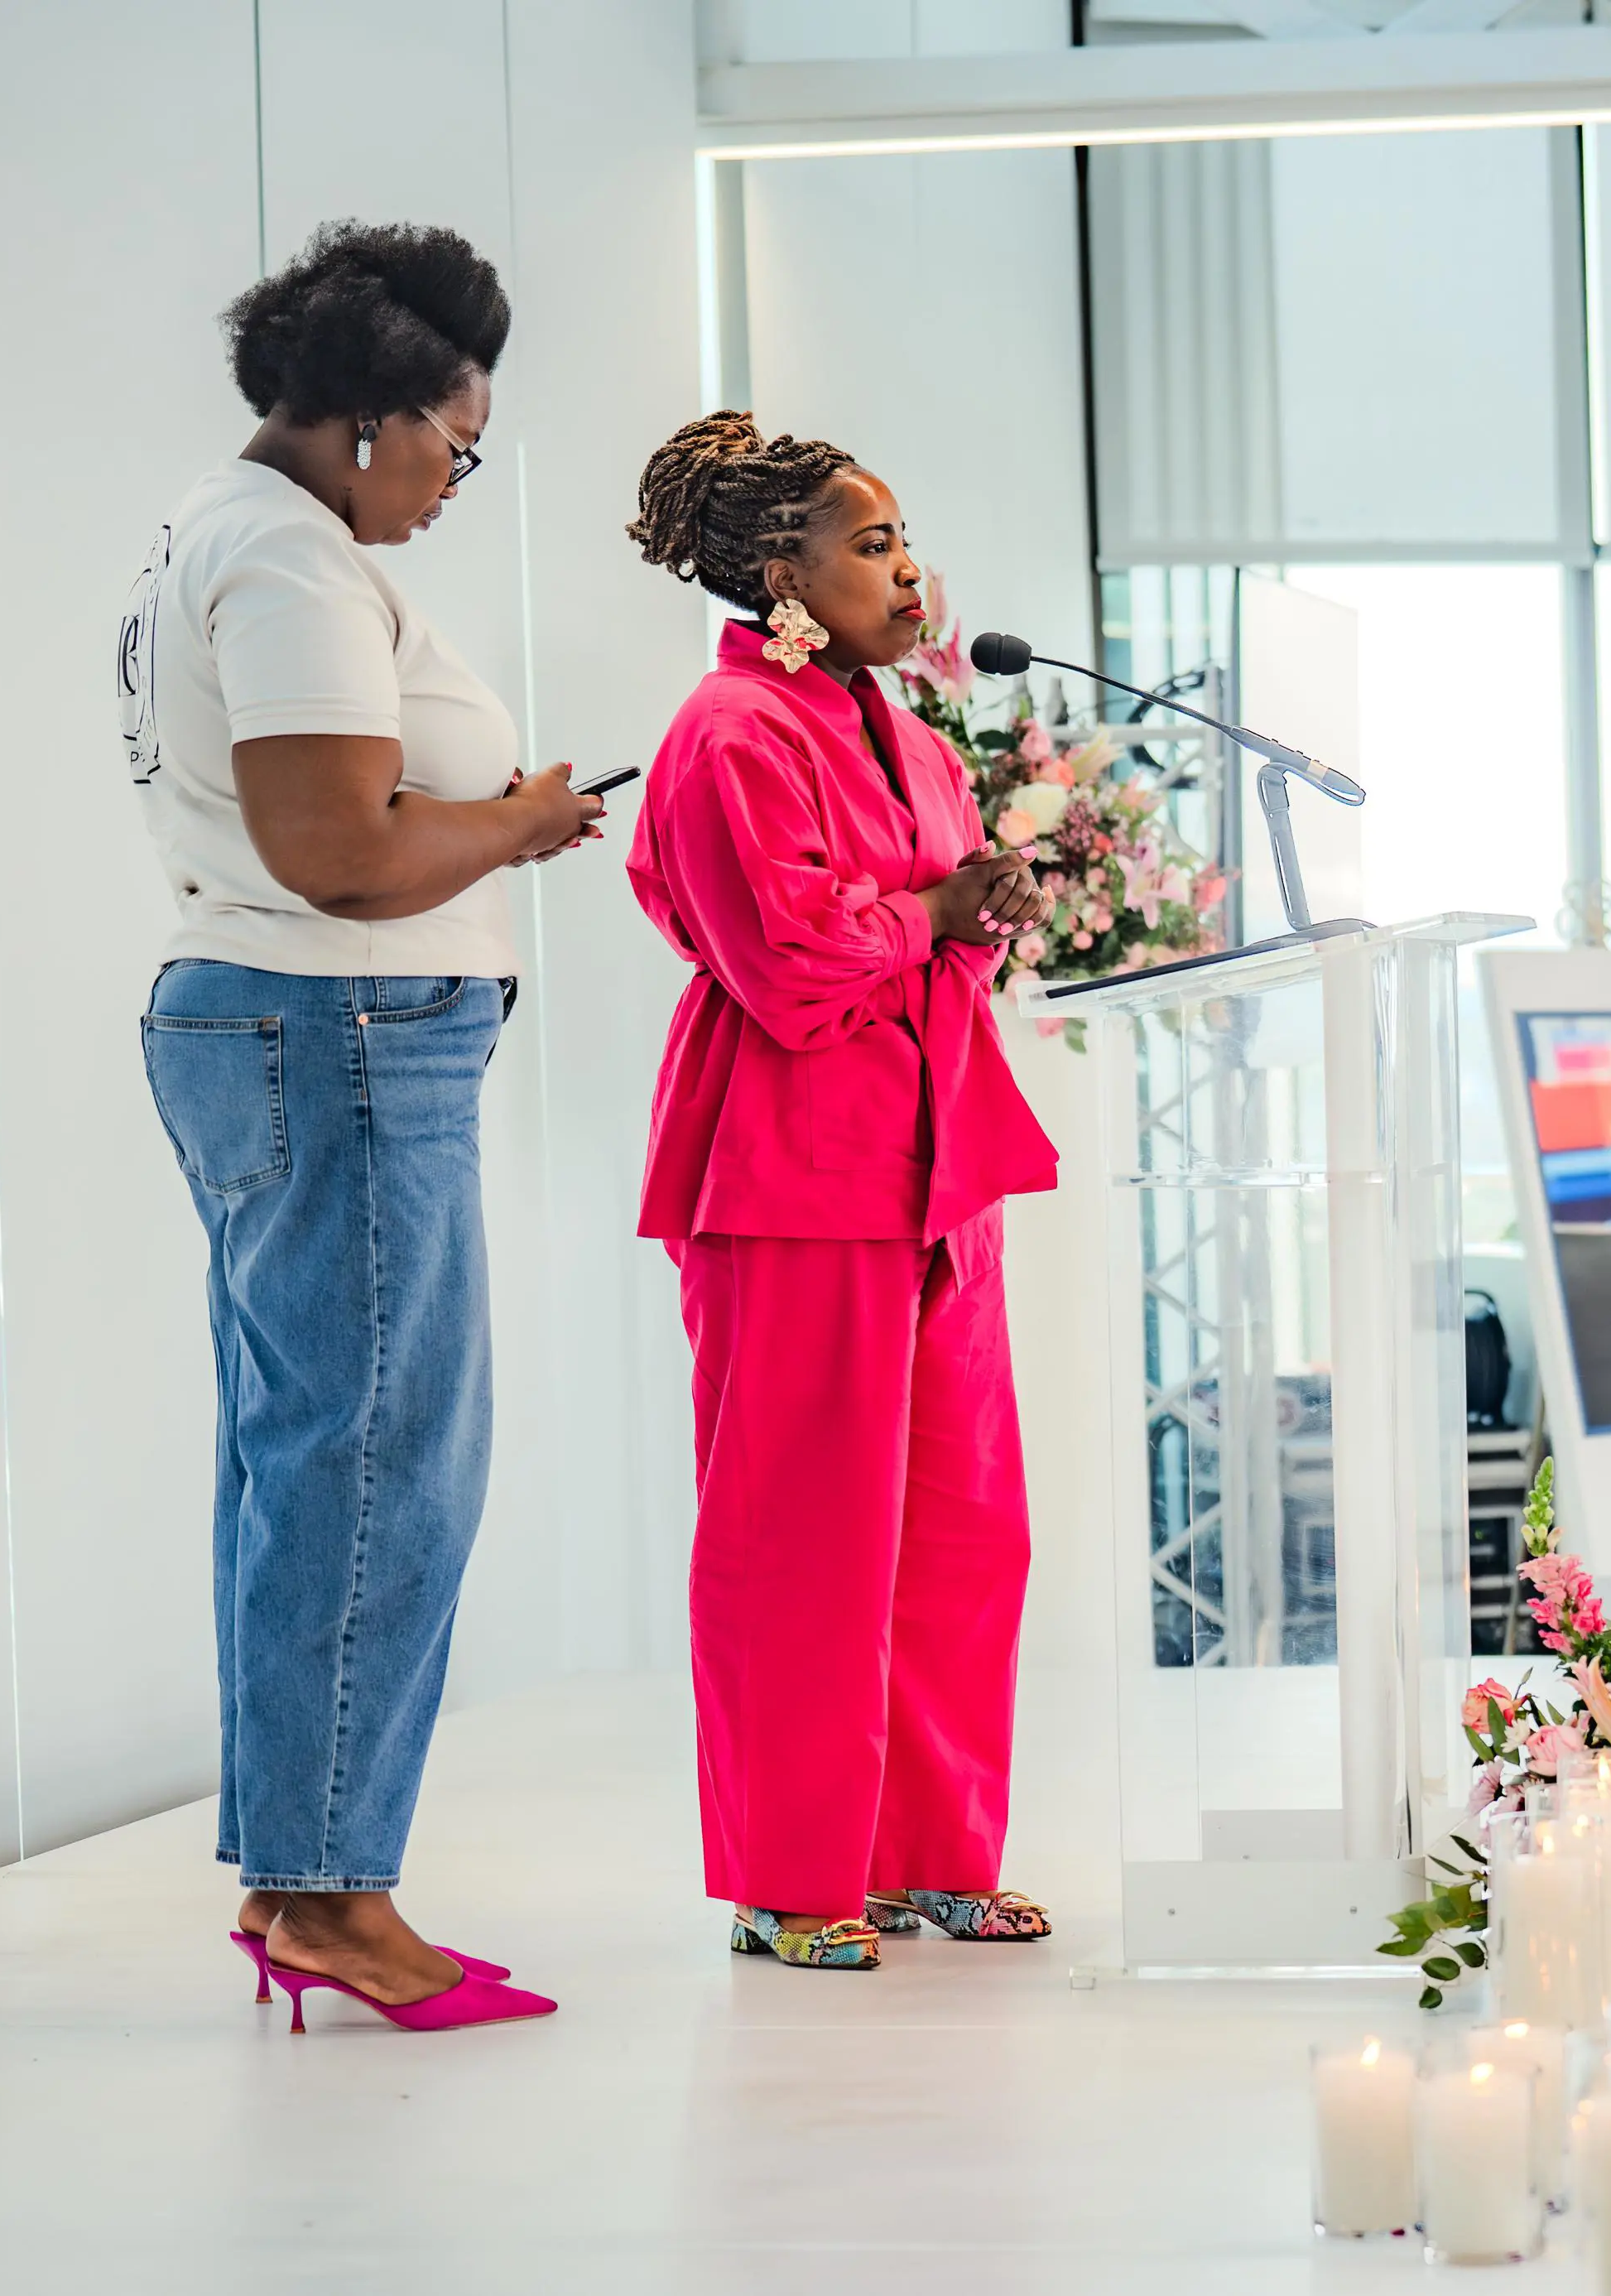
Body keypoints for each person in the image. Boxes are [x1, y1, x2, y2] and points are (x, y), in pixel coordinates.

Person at [128, 222, 591, 2032]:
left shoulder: (237, 533)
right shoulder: (293, 564)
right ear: (368, 422)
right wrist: (520, 824)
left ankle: (308, 1875)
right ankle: (330, 1898)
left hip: (294, 1027)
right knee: (381, 1469)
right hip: (333, 1030)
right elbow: (340, 851)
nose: (458, 483)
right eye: (456, 448)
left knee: (314, 1461)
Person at [623, 412, 1064, 1971]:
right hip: (800, 1167)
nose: (907, 566)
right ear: (776, 570)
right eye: (871, 541)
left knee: (963, 1527)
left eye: (898, 536)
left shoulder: (910, 730)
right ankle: (791, 1875)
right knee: (799, 1532)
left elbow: (915, 914)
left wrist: (977, 909)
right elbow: (791, 962)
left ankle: (932, 1850)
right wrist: (932, 907)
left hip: (942, 1172)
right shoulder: (729, 737)